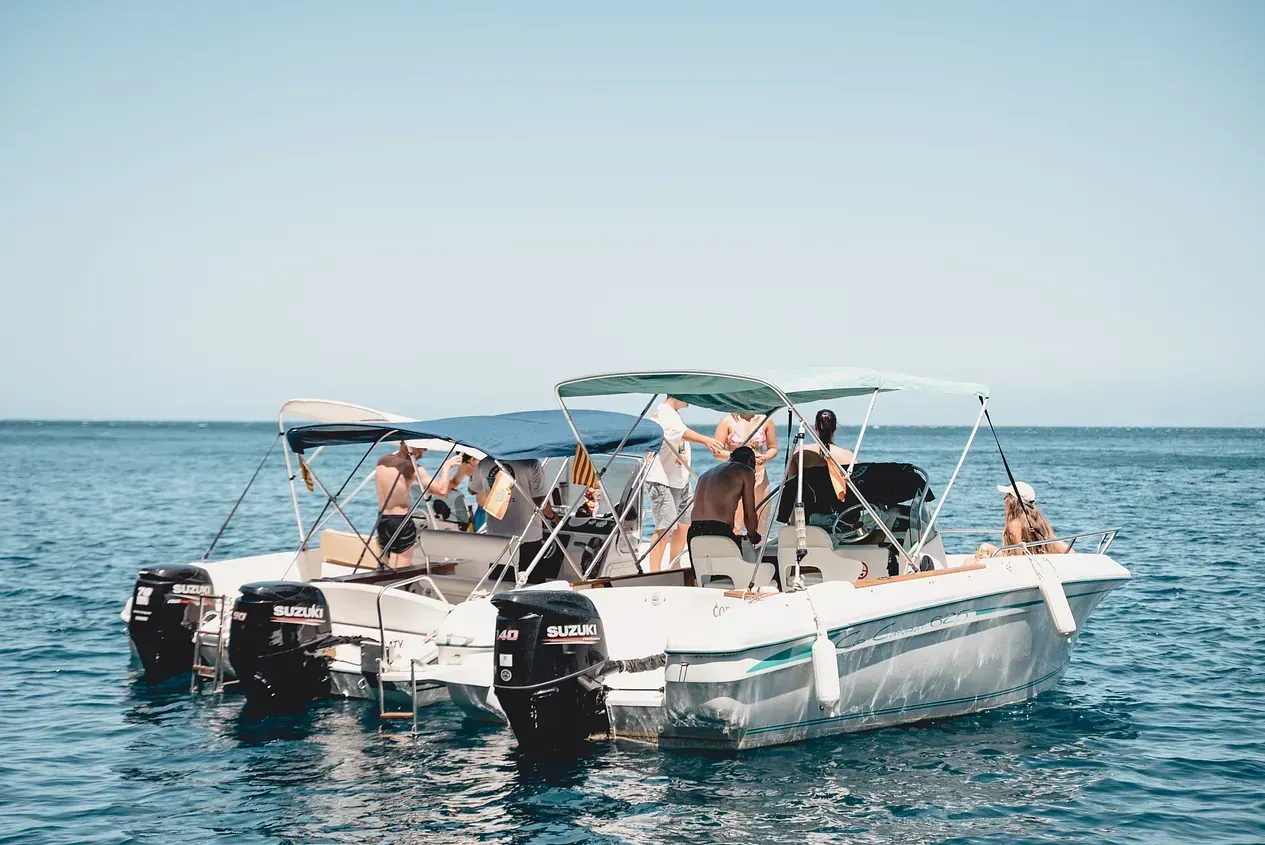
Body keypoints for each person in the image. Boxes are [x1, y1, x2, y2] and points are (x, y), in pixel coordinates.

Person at [645, 396, 724, 572]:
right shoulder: (664, 412)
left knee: (685, 525)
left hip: (679, 479)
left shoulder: (673, 414)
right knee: (664, 528)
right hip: (662, 479)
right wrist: (707, 440)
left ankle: (675, 565)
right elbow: (683, 433)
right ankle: (654, 572)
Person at [467, 457, 554, 580]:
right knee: (532, 582)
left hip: (497, 534)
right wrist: (553, 517)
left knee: (499, 582)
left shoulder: (485, 463)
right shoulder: (530, 463)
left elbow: (471, 490)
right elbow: (541, 502)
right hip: (527, 535)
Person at [714, 412, 778, 537]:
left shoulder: (766, 420)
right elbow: (717, 452)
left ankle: (757, 548)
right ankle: (734, 546)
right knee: (735, 522)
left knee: (760, 522)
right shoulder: (727, 421)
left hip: (759, 475)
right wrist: (740, 456)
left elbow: (773, 447)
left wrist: (765, 457)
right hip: (734, 477)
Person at [688, 446, 761, 553]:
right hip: (719, 530)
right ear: (750, 461)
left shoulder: (705, 474)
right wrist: (752, 535)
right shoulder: (746, 471)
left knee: (702, 564)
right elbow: (749, 514)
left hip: (694, 531)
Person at [976, 482, 1070, 558]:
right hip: (1033, 560)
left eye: (1007, 495)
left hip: (1022, 564)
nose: (1004, 499)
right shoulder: (1039, 520)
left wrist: (991, 559)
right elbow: (1067, 550)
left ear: (1013, 500)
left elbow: (1016, 556)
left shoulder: (1015, 524)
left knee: (985, 547)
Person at [374, 444, 417, 568]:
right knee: (399, 571)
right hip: (400, 521)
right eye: (420, 449)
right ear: (406, 445)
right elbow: (442, 490)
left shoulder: (382, 461)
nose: (421, 454)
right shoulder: (413, 468)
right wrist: (447, 466)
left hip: (383, 519)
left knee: (383, 568)